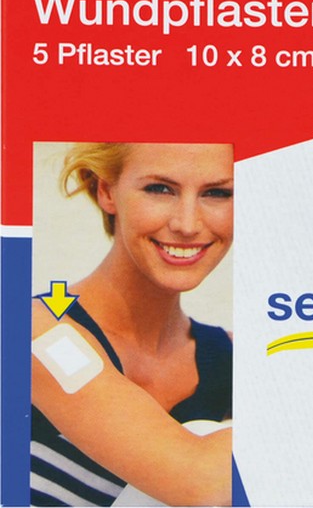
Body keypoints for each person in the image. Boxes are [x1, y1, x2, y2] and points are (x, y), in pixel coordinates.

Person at [30, 143, 234, 507]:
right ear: (106, 191)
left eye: (217, 193)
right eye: (160, 189)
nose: (187, 224)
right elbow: (198, 480)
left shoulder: (232, 361)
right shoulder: (30, 329)